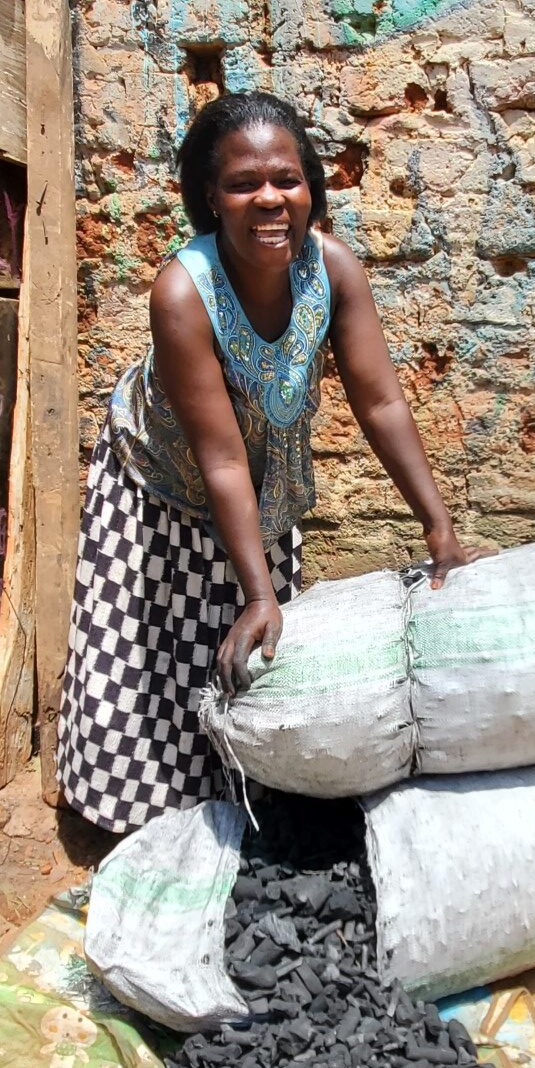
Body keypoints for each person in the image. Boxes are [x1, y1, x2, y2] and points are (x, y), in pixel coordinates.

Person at [57, 91, 490, 834]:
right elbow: (220, 457)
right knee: (147, 664)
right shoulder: (183, 292)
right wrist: (259, 593)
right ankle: (128, 823)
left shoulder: (333, 272)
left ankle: (236, 815)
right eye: (242, 184)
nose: (269, 199)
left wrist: (439, 531)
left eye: (287, 180)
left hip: (257, 491)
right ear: (210, 198)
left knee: (250, 665)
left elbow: (382, 402)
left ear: (310, 189)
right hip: (159, 484)